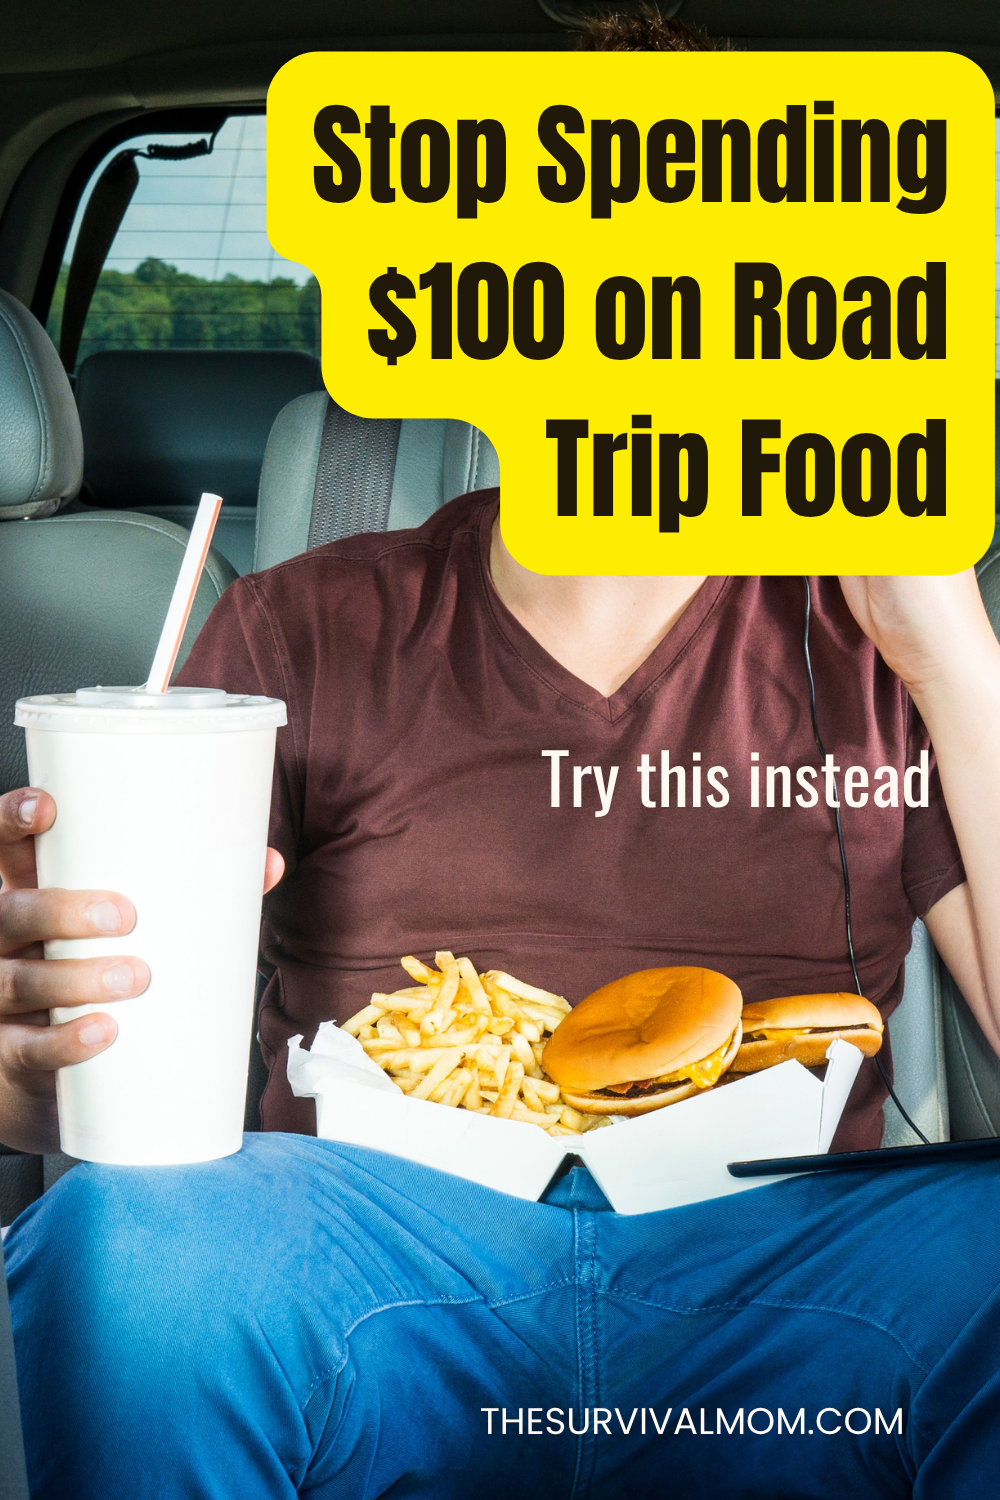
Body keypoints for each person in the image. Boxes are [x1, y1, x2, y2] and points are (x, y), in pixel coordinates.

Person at [6, 14, 1000, 1498]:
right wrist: (34, 1054)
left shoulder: (871, 633)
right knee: (115, 1244)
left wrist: (951, 653)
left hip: (790, 1274)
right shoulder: (299, 626)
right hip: (364, 1255)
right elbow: (102, 1069)